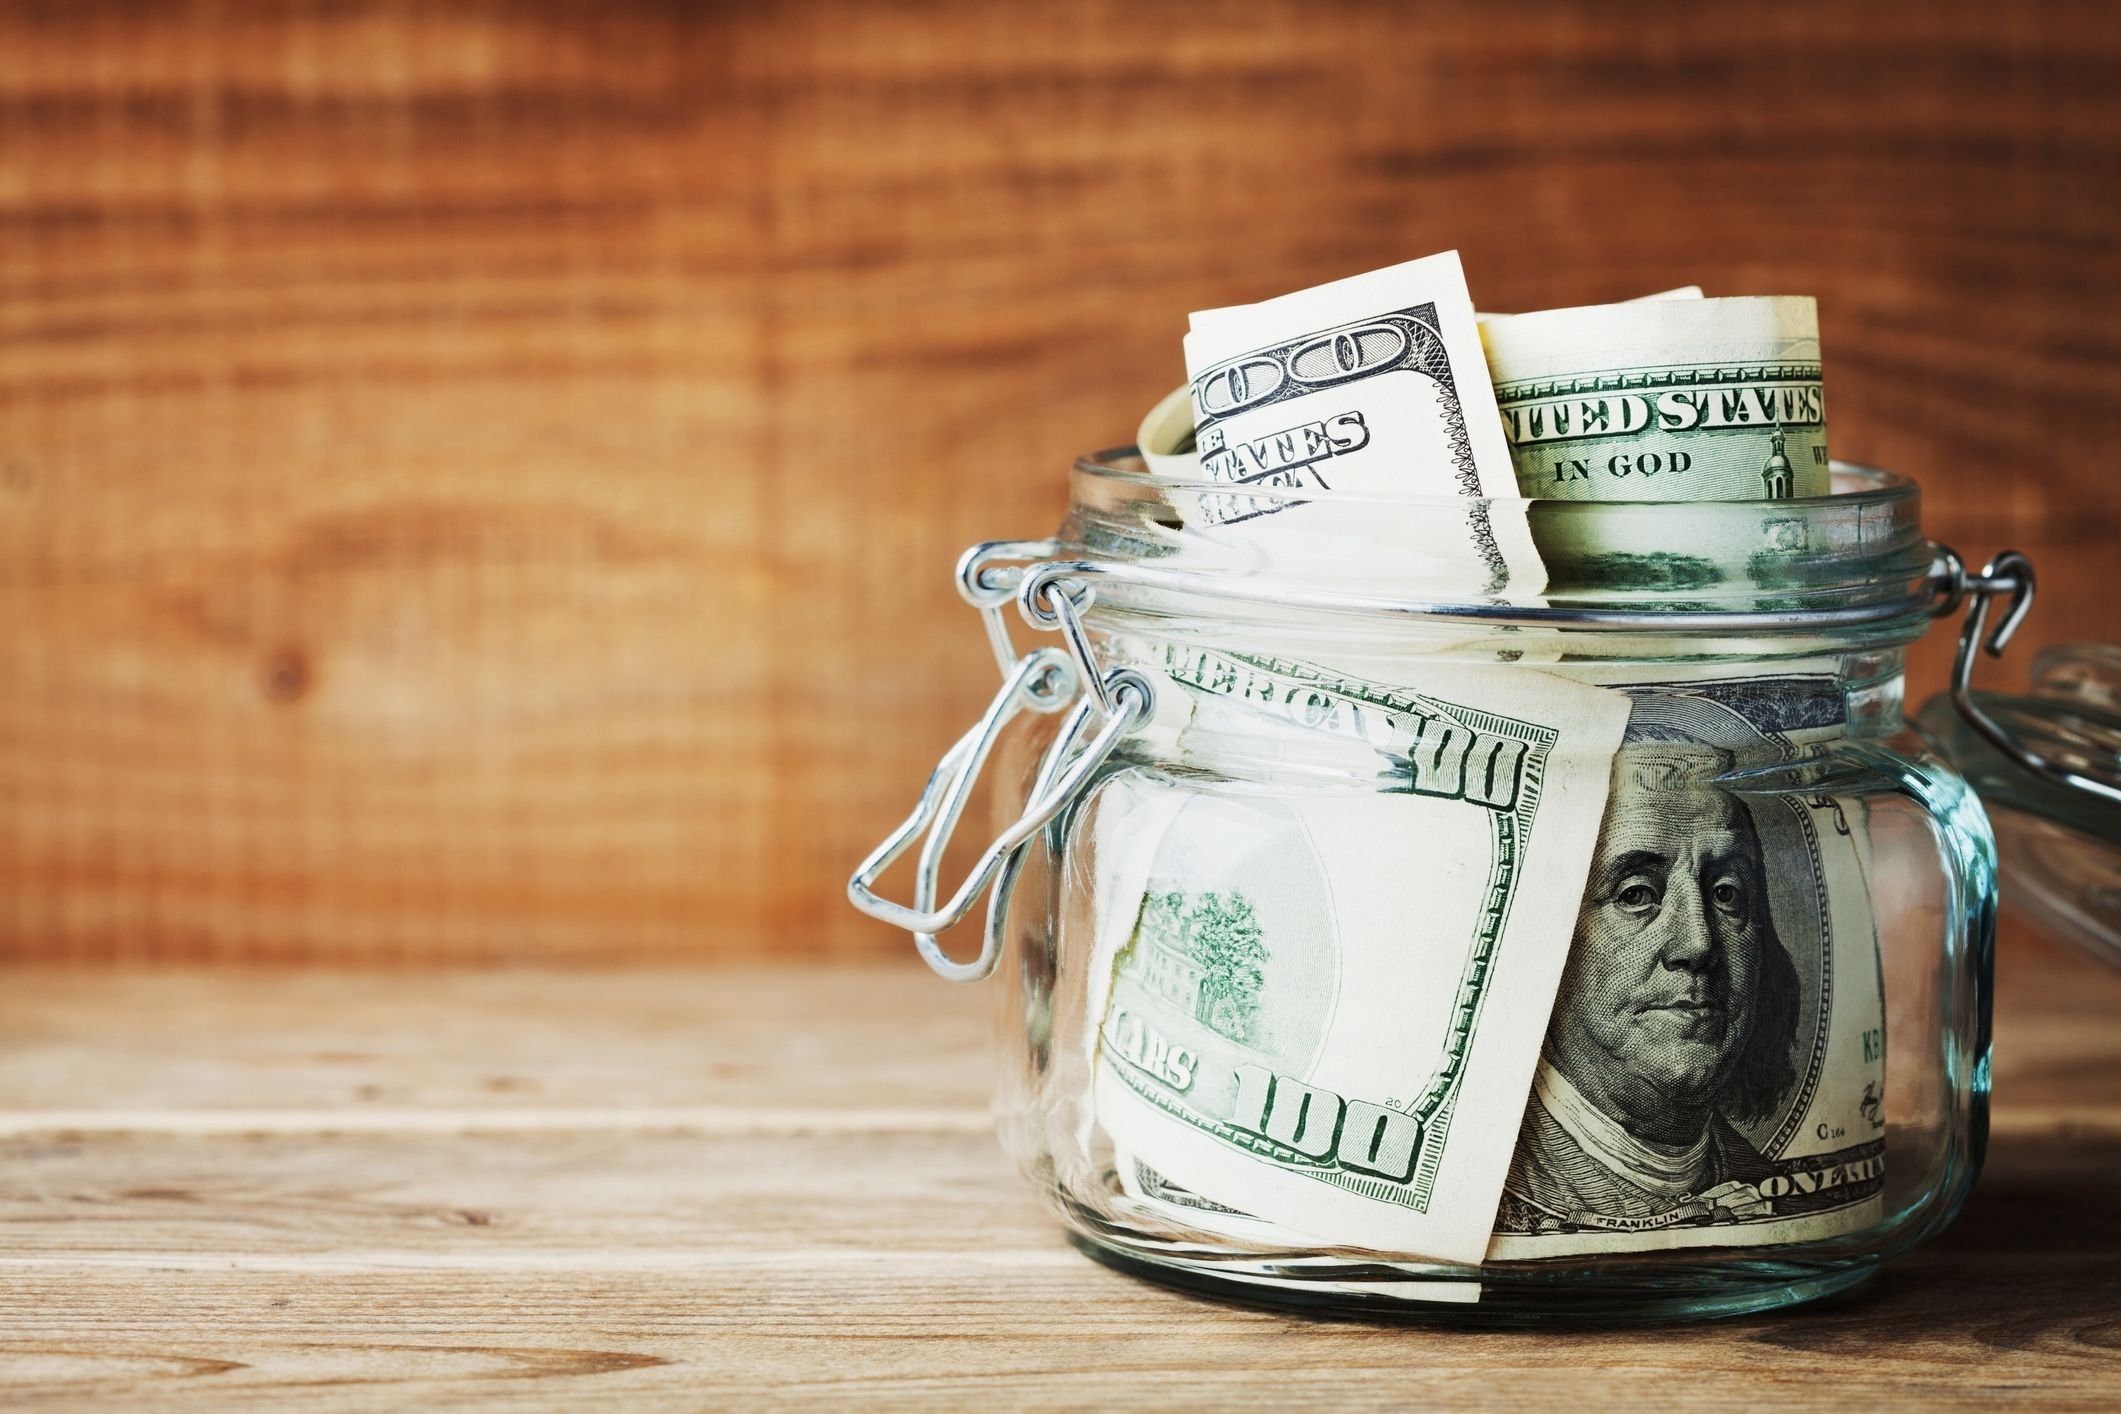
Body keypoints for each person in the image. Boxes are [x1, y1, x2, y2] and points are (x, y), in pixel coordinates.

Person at [1502, 738, 1802, 1228]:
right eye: (1636, 894)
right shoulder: (1485, 1190)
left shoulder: (1776, 1194)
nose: (1698, 943)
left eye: (1727, 894)